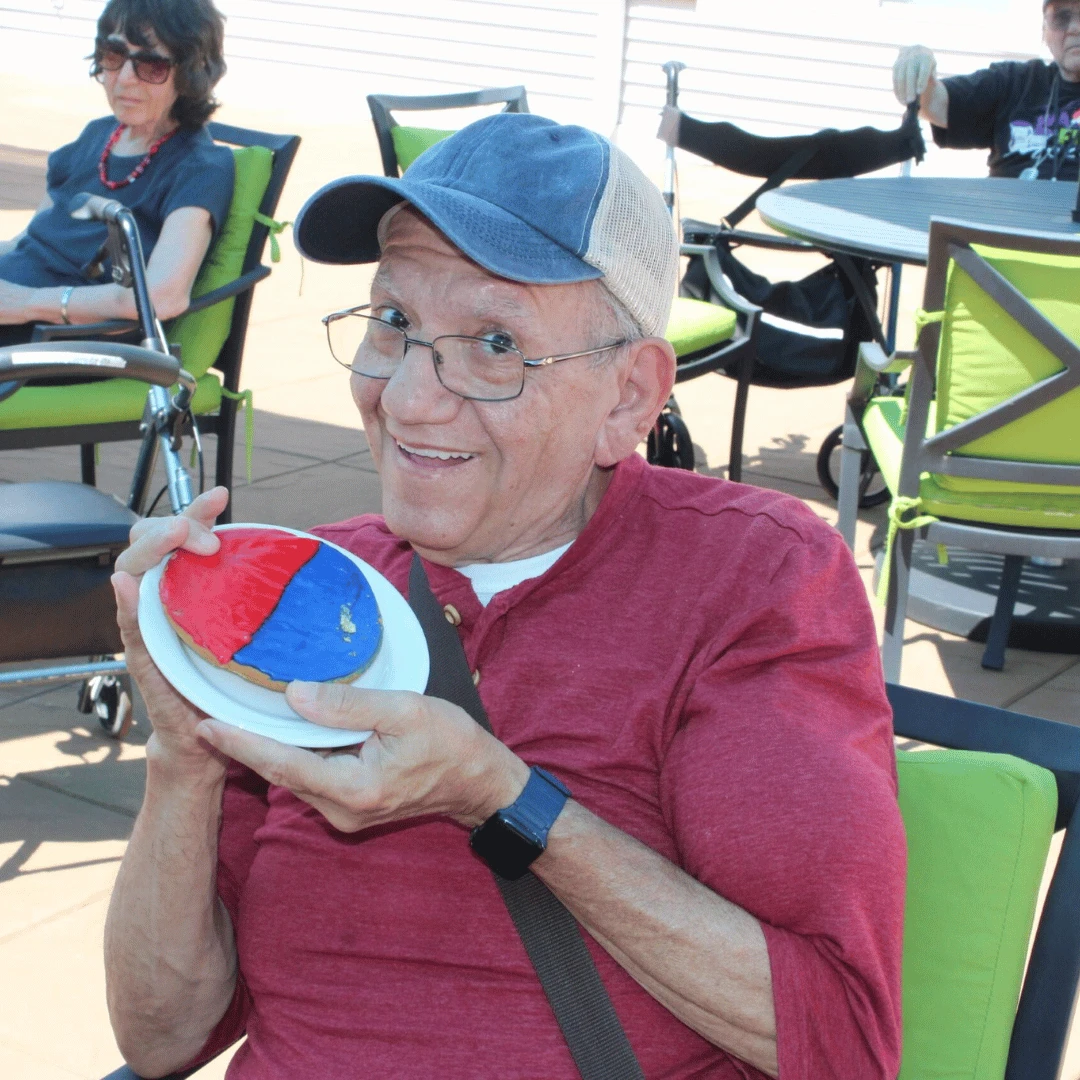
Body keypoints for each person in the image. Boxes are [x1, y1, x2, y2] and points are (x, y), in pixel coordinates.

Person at [104, 114, 906, 1080]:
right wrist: (184, 748)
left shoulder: (751, 580)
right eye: (394, 321)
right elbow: (161, 1039)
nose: (405, 399)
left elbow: (840, 1042)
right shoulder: (313, 594)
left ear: (627, 398)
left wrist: (503, 797)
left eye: (492, 341)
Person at [0, 0, 234, 347]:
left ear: (190, 72)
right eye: (113, 55)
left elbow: (162, 296)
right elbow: (31, 242)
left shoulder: (200, 167)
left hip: (65, 338)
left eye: (151, 65)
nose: (125, 79)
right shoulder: (97, 135)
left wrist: (25, 304)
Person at [894, 0, 1080, 180]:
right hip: (1006, 210)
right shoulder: (1013, 82)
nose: (1075, 28)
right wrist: (918, 66)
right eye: (1061, 17)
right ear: (1044, 31)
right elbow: (934, 105)